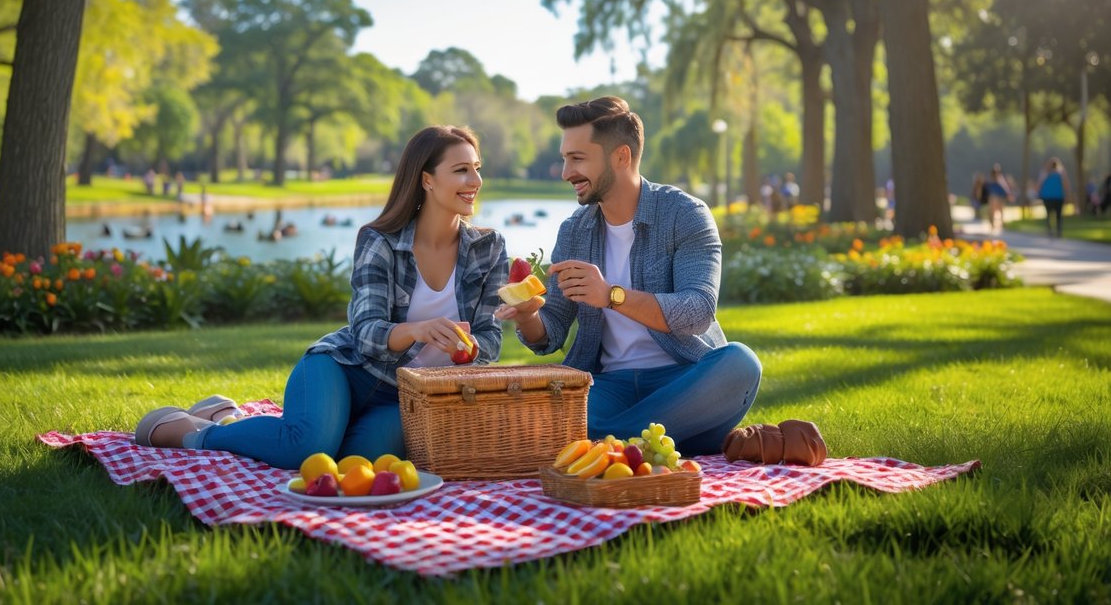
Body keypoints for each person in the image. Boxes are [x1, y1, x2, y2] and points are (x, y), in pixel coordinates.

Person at [132, 125, 508, 468]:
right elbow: (364, 332)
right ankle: (193, 432)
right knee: (306, 451)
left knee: (352, 465)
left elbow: (490, 341)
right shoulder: (380, 241)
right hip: (344, 370)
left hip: (406, 395)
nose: (474, 180)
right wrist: (418, 330)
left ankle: (230, 418)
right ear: (427, 180)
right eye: (461, 169)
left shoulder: (488, 249)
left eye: (476, 168)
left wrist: (471, 347)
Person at [501, 96, 761, 456]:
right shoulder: (574, 231)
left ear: (621, 156)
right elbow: (553, 331)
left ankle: (607, 443)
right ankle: (654, 441)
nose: (565, 173)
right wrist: (529, 315)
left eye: (577, 159)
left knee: (740, 364)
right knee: (542, 408)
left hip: (682, 378)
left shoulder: (685, 215)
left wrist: (611, 295)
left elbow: (698, 310)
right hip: (608, 386)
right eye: (565, 159)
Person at [1036, 157, 1071, 238]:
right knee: (1059, 215)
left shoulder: (1045, 173)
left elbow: (1039, 184)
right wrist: (1068, 195)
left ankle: (1050, 231)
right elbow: (1066, 184)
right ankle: (1058, 231)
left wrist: (1037, 193)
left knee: (1048, 214)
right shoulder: (1061, 173)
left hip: (1047, 197)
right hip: (1059, 197)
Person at [985, 163, 1012, 233]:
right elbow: (987, 188)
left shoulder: (1001, 178)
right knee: (992, 211)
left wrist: (1008, 194)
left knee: (1001, 211)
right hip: (993, 196)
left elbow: (1005, 187)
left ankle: (1002, 224)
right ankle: (992, 224)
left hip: (1000, 196)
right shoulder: (990, 179)